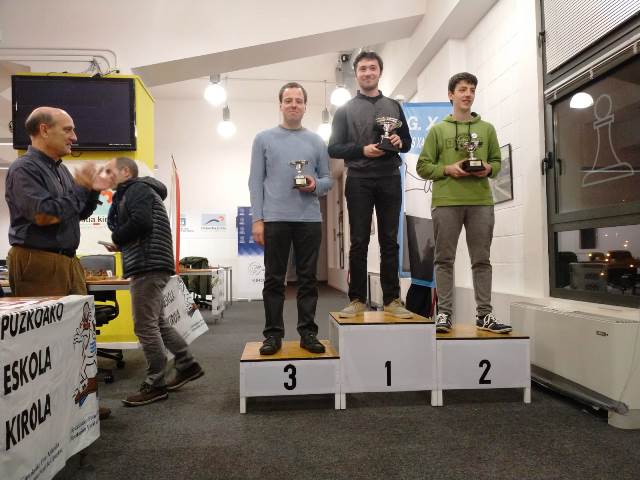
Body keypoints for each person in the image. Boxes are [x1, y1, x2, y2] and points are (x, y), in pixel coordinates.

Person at [5, 106, 113, 419]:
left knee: (78, 336)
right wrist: (80, 188)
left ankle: (79, 405)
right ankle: (49, 415)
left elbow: (76, 212)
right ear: (43, 130)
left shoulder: (61, 170)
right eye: (67, 129)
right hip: (38, 261)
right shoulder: (24, 169)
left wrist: (90, 191)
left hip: (67, 261)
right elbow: (45, 215)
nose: (74, 137)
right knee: (45, 342)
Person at [101, 157, 204, 406]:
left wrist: (117, 237)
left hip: (147, 264)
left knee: (145, 326)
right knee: (157, 323)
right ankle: (187, 364)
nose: (106, 175)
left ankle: (156, 384)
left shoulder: (136, 189)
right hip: (151, 262)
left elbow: (141, 222)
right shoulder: (140, 191)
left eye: (110, 171)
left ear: (126, 172)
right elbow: (142, 226)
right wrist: (122, 244)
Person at [416, 72, 512, 334]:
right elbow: (423, 166)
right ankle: (444, 314)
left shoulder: (487, 129)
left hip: (481, 202)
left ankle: (484, 315)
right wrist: (448, 169)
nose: (468, 94)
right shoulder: (438, 130)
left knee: (482, 259)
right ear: (451, 95)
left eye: (472, 90)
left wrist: (488, 169)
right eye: (462, 89)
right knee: (444, 259)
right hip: (446, 202)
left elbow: (496, 162)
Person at [249, 82, 333, 355]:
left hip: (309, 219)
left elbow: (328, 180)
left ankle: (308, 333)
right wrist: (257, 219)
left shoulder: (317, 141)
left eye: (298, 100)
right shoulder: (263, 139)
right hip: (275, 219)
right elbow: (255, 182)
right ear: (280, 105)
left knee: (308, 279)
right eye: (288, 100)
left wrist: (315, 185)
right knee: (274, 279)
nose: (293, 105)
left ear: (305, 106)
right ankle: (273, 335)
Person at [328, 51, 413, 319]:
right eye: (363, 68)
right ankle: (356, 299)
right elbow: (334, 148)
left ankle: (392, 300)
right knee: (359, 240)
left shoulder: (394, 106)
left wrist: (399, 141)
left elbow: (407, 142)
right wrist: (362, 150)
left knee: (390, 240)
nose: (367, 72)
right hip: (359, 179)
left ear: (379, 72)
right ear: (356, 74)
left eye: (372, 68)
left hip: (389, 177)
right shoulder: (344, 110)